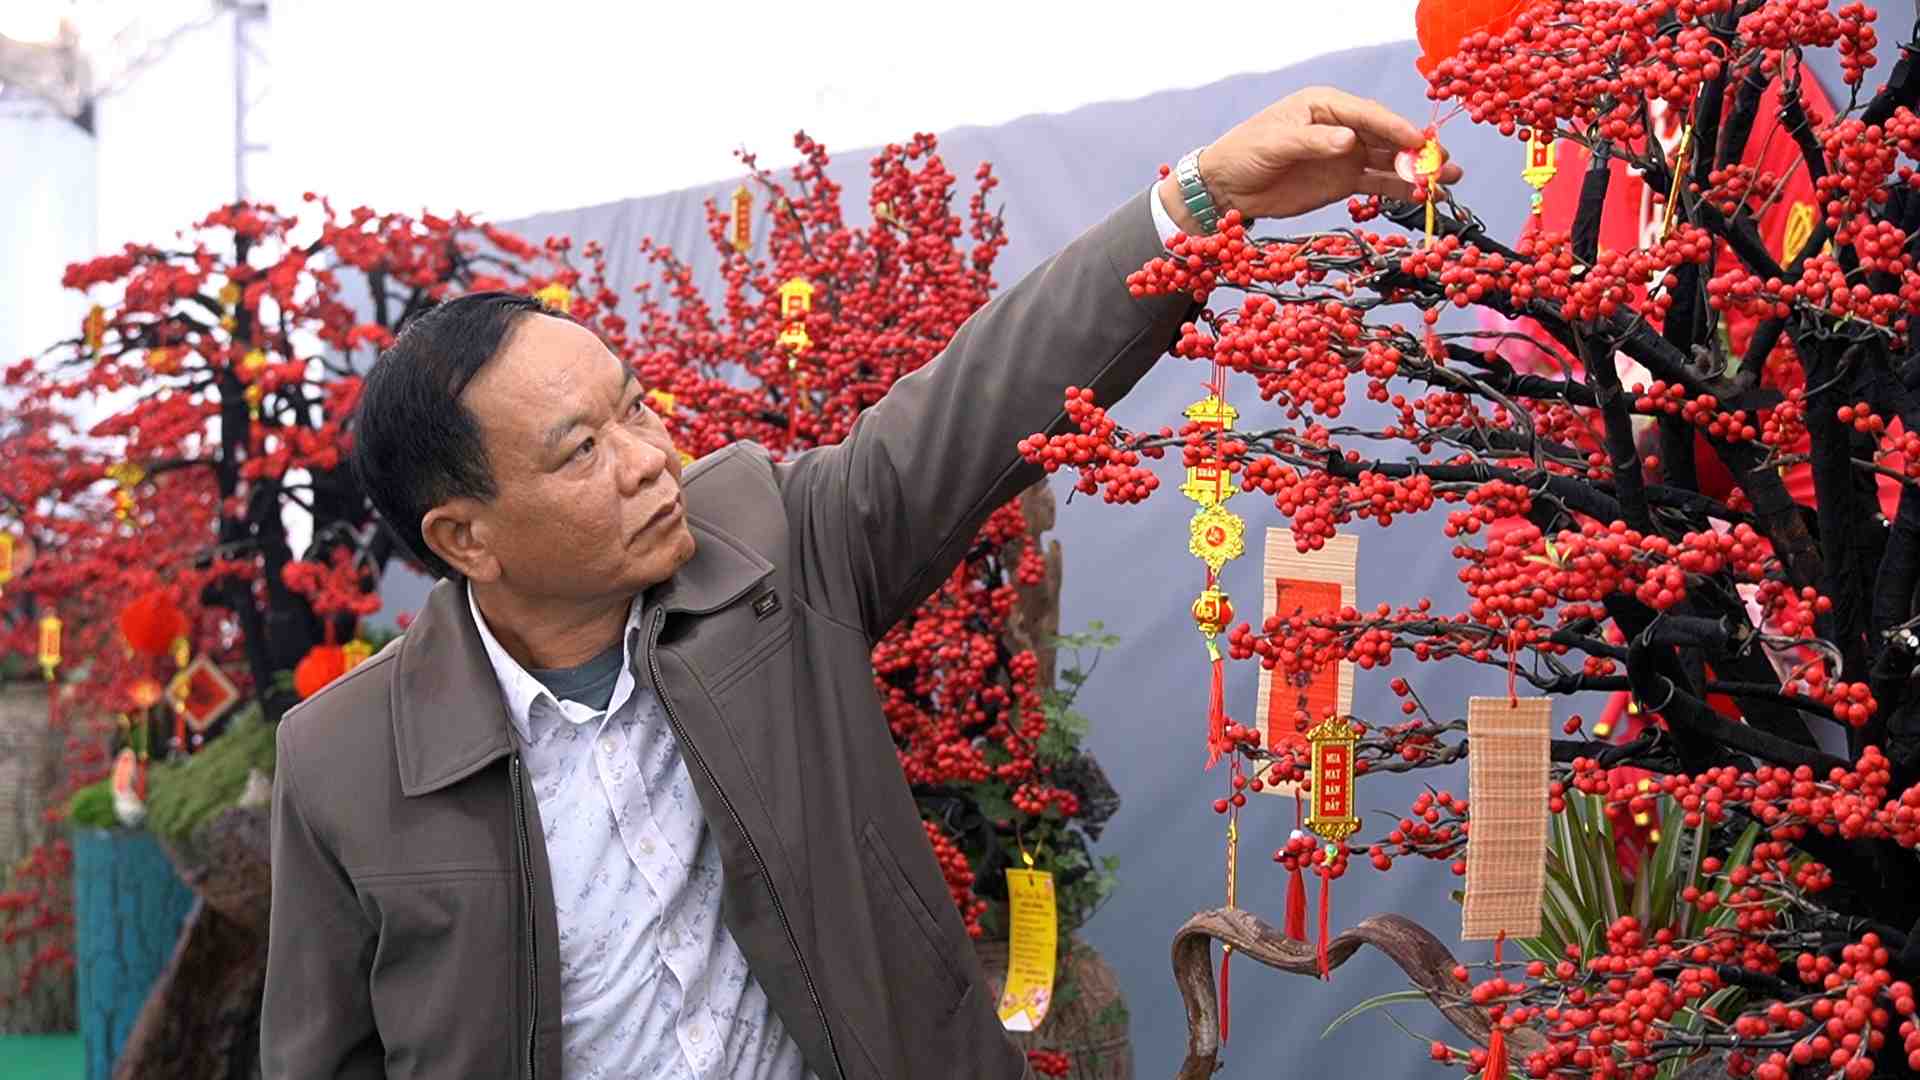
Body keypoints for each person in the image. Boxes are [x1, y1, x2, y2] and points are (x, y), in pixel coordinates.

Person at [260, 86, 1459, 1080]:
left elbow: (981, 394)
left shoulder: (769, 549)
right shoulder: (348, 761)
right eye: (582, 451)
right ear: (465, 539)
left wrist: (1202, 200)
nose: (649, 460)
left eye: (634, 408)